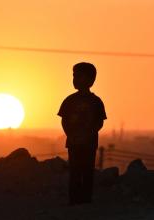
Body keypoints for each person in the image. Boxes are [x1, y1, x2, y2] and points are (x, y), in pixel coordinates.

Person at [58, 62, 107, 205]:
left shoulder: (96, 102)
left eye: (78, 76)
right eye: (74, 76)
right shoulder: (69, 101)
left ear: (90, 80)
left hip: (89, 143)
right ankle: (74, 200)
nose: (74, 79)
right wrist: (71, 135)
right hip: (73, 143)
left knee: (87, 172)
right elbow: (64, 121)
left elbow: (99, 123)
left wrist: (88, 134)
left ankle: (85, 200)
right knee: (74, 172)